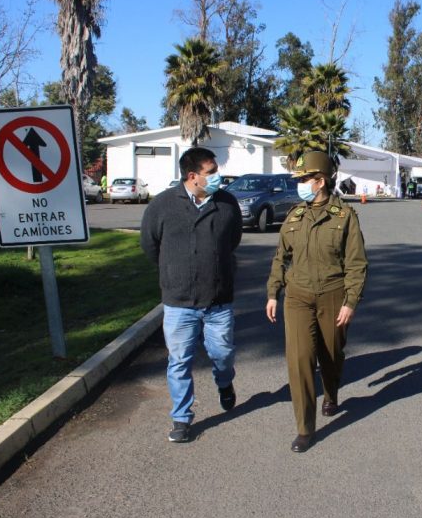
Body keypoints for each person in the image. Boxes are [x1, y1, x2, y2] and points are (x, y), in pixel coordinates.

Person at [266, 151, 368, 453]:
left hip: (333, 295)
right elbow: (280, 257)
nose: (299, 184)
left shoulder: (344, 217)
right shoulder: (295, 215)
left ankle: (332, 391)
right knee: (300, 360)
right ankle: (305, 428)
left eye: (304, 179)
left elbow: (357, 263)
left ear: (320, 181)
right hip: (297, 297)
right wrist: (273, 292)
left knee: (332, 354)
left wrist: (351, 301)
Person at [140, 147, 243, 443]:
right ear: (192, 176)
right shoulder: (163, 205)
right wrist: (173, 270)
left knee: (222, 354)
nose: (217, 177)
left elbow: (231, 240)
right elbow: (149, 244)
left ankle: (225, 383)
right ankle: (181, 418)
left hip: (218, 300)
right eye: (211, 173)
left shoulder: (226, 204)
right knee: (179, 361)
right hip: (178, 302)